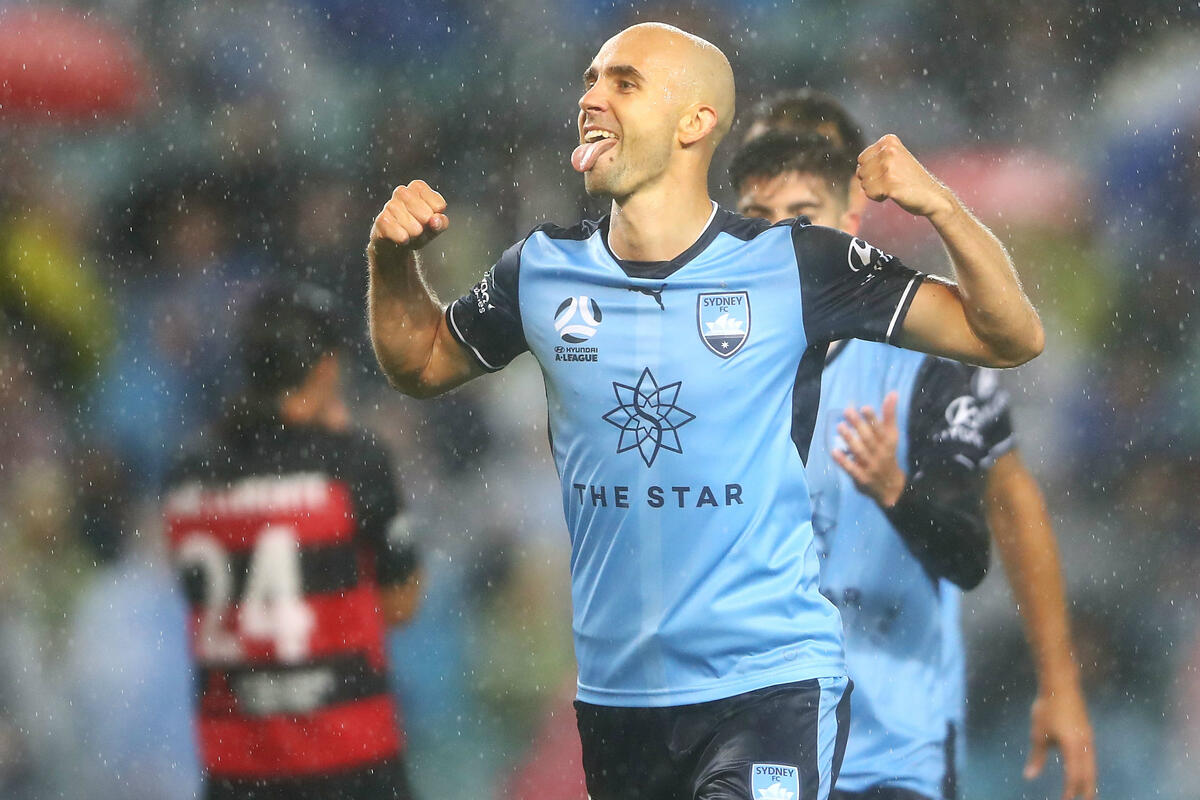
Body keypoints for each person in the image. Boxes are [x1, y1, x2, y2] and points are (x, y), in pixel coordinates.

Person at [366, 22, 1043, 800]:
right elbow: (419, 363)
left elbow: (1009, 335)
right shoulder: (542, 270)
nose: (591, 98)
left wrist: (941, 207)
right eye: (590, 80)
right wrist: (392, 261)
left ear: (694, 122)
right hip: (620, 700)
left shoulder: (793, 262)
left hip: (768, 686)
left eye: (623, 83)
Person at [732, 99, 1095, 800]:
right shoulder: (711, 354)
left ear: (851, 206)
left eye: (804, 207)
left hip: (890, 740)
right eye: (760, 207)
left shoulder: (923, 352)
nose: (783, 235)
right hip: (759, 734)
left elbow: (1000, 510)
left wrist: (1059, 681)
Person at [161, 283, 423, 800]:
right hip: (349, 757)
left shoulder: (188, 470)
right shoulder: (354, 462)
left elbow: (191, 587)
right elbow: (401, 603)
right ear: (326, 368)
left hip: (238, 767)